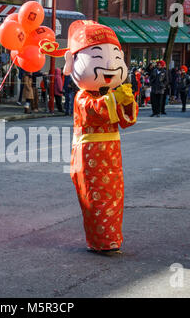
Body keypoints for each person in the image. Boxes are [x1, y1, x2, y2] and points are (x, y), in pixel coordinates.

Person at [61, 20, 138, 254]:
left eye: (116, 56)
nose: (111, 64)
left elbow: (125, 120)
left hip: (112, 156)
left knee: (114, 197)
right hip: (90, 159)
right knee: (96, 199)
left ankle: (113, 238)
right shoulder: (82, 97)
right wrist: (116, 99)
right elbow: (96, 111)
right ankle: (99, 241)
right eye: (97, 56)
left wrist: (127, 100)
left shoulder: (109, 93)